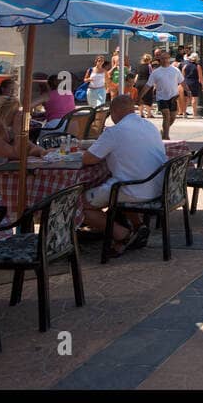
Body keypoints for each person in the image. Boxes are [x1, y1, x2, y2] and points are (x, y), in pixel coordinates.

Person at [79, 95, 164, 256]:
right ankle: (138, 226)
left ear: (115, 111)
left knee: (77, 203)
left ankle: (122, 235)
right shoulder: (149, 126)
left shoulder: (115, 131)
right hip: (157, 187)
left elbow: (89, 159)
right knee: (122, 178)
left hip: (133, 189)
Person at [148, 51, 184, 139]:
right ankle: (166, 136)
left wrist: (188, 91)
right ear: (160, 59)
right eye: (163, 58)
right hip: (161, 97)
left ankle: (164, 131)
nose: (165, 60)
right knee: (166, 116)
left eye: (166, 58)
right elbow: (148, 85)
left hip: (173, 97)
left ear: (169, 59)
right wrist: (140, 96)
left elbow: (182, 81)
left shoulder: (175, 70)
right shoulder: (156, 72)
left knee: (172, 118)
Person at [182, 52, 203, 117]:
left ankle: (184, 113)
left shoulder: (185, 66)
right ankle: (194, 114)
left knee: (186, 98)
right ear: (196, 59)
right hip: (194, 83)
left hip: (186, 83)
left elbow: (182, 76)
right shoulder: (198, 66)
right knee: (194, 98)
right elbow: (200, 77)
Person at [134, 54, 155, 118]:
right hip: (146, 83)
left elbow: (136, 77)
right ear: (150, 60)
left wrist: (135, 84)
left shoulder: (139, 66)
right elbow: (151, 75)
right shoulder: (149, 66)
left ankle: (141, 113)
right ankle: (149, 114)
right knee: (148, 98)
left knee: (140, 98)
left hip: (139, 83)